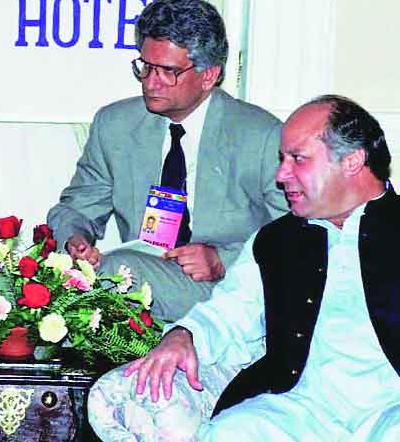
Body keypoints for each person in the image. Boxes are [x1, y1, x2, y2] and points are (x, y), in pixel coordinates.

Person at [89, 95, 399, 442]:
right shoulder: (275, 241)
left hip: (389, 409)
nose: (281, 174)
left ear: (353, 161)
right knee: (227, 433)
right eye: (282, 159)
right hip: (299, 409)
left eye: (298, 159)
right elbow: (230, 312)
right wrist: (183, 335)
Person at [47, 0, 288, 321]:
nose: (151, 82)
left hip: (231, 291)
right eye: (146, 67)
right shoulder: (115, 125)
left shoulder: (261, 135)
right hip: (144, 280)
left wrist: (223, 259)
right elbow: (75, 209)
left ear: (209, 75)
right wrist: (74, 240)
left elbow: (298, 235)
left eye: (168, 71)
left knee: (115, 272)